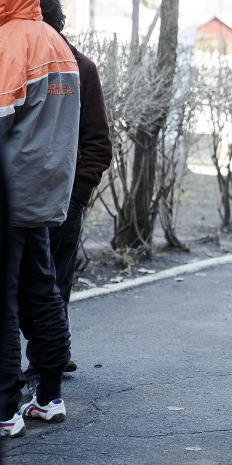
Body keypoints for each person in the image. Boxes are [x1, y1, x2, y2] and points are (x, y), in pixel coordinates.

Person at [22, 0, 113, 394]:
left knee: (53, 285)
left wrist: (75, 196)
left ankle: (47, 363)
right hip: (21, 195)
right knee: (30, 286)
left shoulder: (81, 68)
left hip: (61, 202)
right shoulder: (14, 60)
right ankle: (50, 355)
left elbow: (98, 143)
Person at [0, 0, 80, 437]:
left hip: (10, 192)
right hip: (42, 194)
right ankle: (48, 396)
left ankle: (4, 410)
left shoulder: (9, 43)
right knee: (42, 292)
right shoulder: (55, 41)